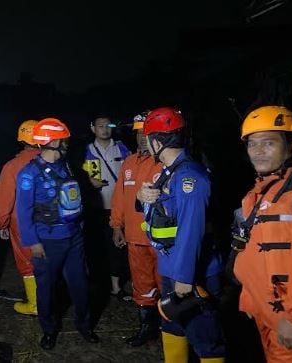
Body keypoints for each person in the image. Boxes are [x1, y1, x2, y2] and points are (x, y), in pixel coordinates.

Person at [137, 107, 224, 362]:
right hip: (171, 266)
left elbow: (191, 229)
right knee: (172, 326)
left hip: (192, 275)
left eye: (147, 141)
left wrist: (184, 277)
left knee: (206, 339)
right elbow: (164, 210)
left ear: (156, 142)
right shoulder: (169, 173)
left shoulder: (189, 177)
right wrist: (141, 197)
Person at [16, 118, 99, 350]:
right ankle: (49, 330)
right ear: (52, 142)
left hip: (74, 238)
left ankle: (85, 325)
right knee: (47, 288)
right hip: (47, 241)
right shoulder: (28, 173)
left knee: (80, 284)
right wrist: (32, 242)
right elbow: (23, 211)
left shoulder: (67, 166)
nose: (67, 145)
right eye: (64, 141)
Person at [233, 106, 292, 362]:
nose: (258, 151)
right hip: (264, 312)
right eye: (252, 144)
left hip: (289, 321)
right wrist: (249, 300)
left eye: (269, 143)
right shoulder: (264, 190)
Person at [110, 113, 163, 346]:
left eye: (147, 133)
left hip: (161, 241)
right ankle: (147, 328)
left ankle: (171, 329)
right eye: (139, 133)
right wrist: (116, 226)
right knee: (141, 285)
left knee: (166, 285)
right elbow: (119, 198)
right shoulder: (129, 163)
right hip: (134, 237)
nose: (143, 138)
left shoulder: (166, 163)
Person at [0, 120, 40, 315]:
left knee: (27, 262)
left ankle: (36, 304)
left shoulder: (12, 166)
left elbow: (4, 200)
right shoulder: (55, 160)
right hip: (51, 222)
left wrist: (0, 224)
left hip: (22, 223)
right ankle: (51, 298)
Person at [83, 116, 130, 299]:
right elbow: (92, 178)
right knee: (101, 246)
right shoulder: (90, 150)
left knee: (119, 247)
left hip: (119, 207)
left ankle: (117, 286)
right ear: (93, 128)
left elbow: (130, 170)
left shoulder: (121, 147)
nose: (105, 129)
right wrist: (92, 182)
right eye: (100, 126)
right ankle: (104, 282)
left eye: (108, 126)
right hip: (99, 207)